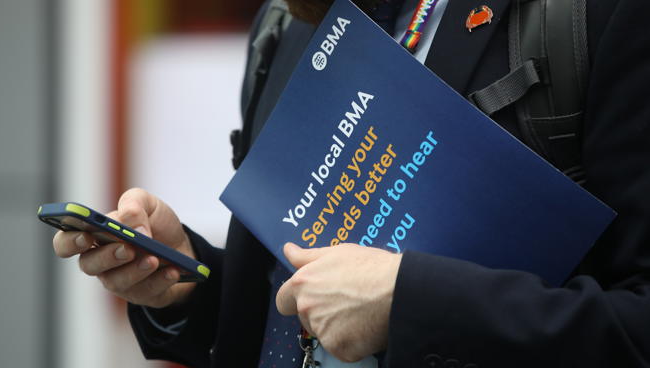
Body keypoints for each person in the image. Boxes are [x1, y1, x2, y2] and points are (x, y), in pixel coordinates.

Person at [53, 0, 650, 366]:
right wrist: (186, 280)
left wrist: (409, 303)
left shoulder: (597, 15)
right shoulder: (287, 26)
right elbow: (278, 323)